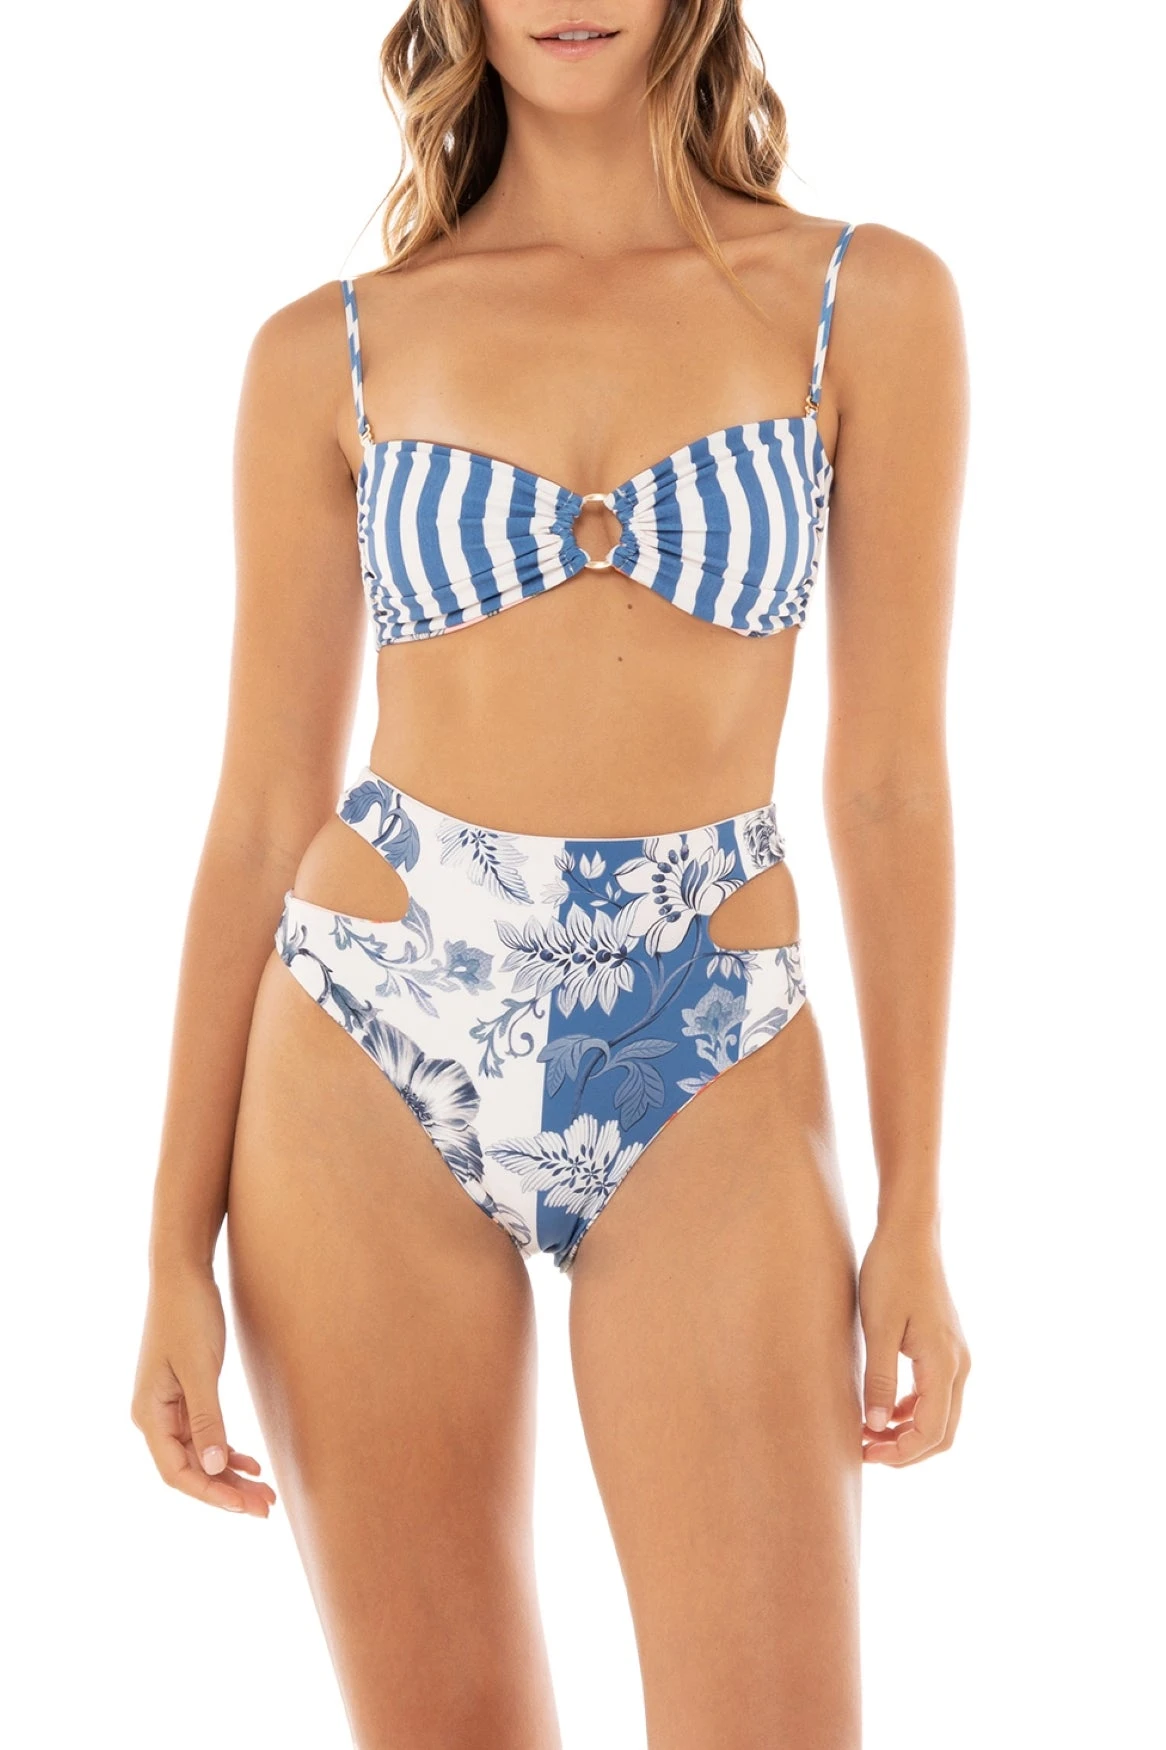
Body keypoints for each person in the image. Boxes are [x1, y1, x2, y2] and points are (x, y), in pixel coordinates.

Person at [132, 3, 971, 1744]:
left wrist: (913, 1208)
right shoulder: (331, 349)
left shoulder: (861, 303)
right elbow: (262, 807)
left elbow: (888, 785)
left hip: (705, 1034)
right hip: (368, 1040)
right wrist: (167, 1253)